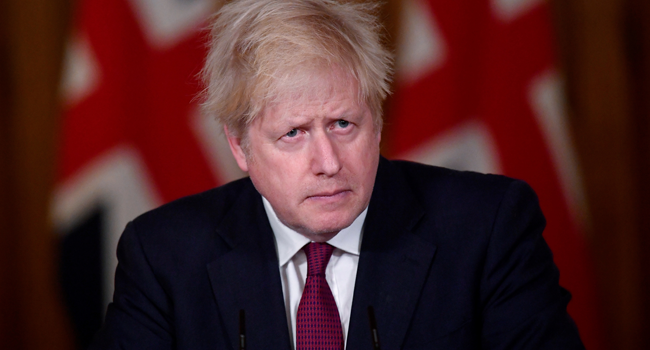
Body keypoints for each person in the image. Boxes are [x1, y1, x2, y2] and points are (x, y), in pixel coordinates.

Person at [89, 0, 585, 349]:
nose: (328, 162)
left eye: (343, 124)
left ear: (377, 122)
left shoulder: (488, 227)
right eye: (294, 134)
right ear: (239, 147)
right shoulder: (163, 256)